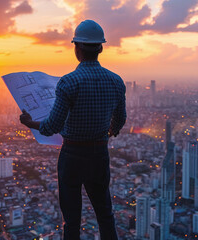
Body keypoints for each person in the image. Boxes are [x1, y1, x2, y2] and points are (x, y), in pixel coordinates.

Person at [19, 19, 126, 240]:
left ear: (76, 48)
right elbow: (120, 120)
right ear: (101, 48)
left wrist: (30, 123)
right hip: (99, 154)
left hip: (72, 156)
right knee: (105, 214)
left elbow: (52, 127)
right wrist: (109, 131)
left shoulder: (69, 83)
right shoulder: (116, 81)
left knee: (72, 219)